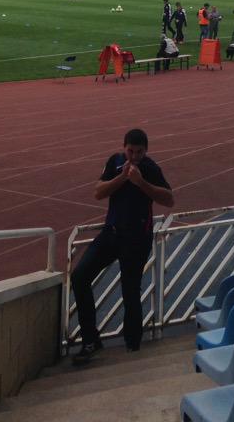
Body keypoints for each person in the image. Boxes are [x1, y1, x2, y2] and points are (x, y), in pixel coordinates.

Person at [70, 129, 173, 365]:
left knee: (130, 290)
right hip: (111, 233)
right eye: (130, 151)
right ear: (123, 147)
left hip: (137, 238)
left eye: (139, 152)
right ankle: (90, 339)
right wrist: (122, 178)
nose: (134, 156)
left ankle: (132, 344)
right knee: (79, 276)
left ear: (146, 151)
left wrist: (141, 182)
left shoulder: (151, 168)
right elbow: (98, 192)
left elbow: (169, 199)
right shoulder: (114, 162)